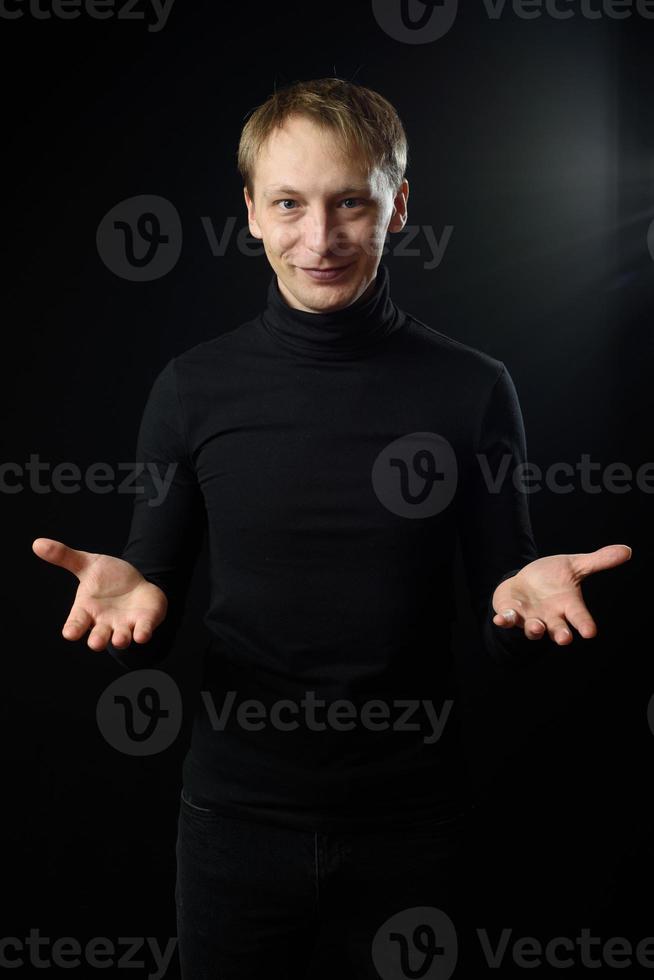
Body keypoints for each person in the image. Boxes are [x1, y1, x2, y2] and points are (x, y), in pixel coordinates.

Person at [32, 77, 632, 980]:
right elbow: (142, 613)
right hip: (234, 829)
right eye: (290, 204)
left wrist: (524, 617)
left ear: (397, 209)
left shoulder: (471, 389)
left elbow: (507, 615)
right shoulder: (192, 389)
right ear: (250, 214)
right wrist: (128, 626)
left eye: (350, 201)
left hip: (416, 831)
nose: (320, 239)